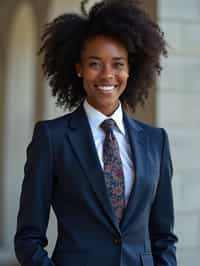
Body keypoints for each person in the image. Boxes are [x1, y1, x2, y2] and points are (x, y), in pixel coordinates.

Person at [14, 1, 178, 266]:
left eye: (117, 64)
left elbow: (163, 237)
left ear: (129, 68)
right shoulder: (52, 138)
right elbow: (28, 238)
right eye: (95, 64)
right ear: (78, 68)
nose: (107, 75)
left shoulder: (155, 141)